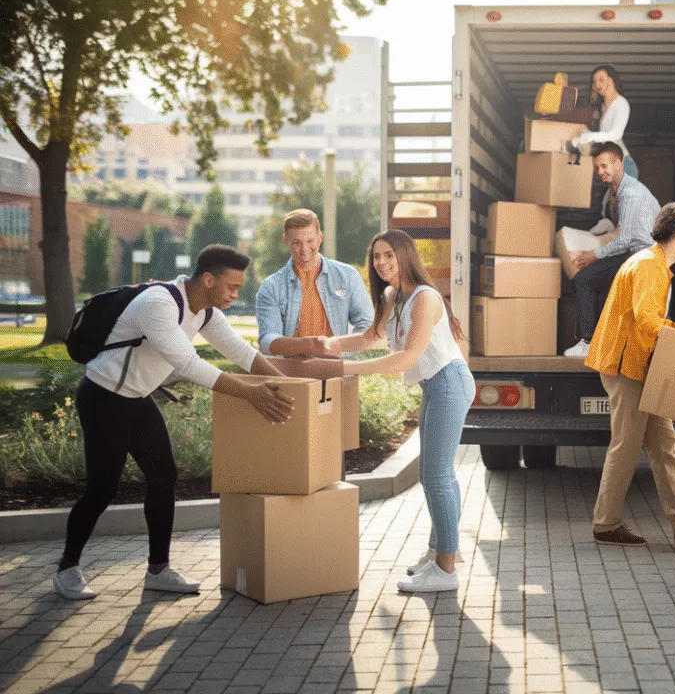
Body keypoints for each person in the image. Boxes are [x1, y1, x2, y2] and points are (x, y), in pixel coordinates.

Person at [53, 246, 297, 601]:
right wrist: (252, 394)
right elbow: (189, 364)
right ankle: (67, 569)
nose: (235, 294)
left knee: (164, 476)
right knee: (103, 487)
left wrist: (293, 390)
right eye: (232, 286)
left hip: (136, 398)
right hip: (103, 397)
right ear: (209, 279)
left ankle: (158, 570)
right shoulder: (160, 303)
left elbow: (242, 353)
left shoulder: (205, 311)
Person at [322, 230, 474, 594]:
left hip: (449, 384)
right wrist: (325, 346)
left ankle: (446, 570)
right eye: (376, 257)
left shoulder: (425, 298)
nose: (382, 263)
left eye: (389, 255)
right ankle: (440, 552)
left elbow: (405, 358)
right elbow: (371, 336)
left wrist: (342, 369)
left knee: (435, 477)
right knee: (436, 474)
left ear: (406, 256)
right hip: (437, 386)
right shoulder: (395, 295)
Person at [585, 202, 675, 549]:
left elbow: (645, 323)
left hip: (637, 366)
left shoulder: (653, 265)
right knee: (625, 446)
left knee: (664, 444)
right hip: (627, 368)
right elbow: (647, 321)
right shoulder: (650, 266)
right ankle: (606, 525)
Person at [563, 142, 660, 358]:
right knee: (593, 280)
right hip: (630, 253)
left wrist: (592, 255)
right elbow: (609, 223)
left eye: (605, 166)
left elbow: (624, 240)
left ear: (619, 163)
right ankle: (597, 340)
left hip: (642, 256)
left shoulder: (631, 194)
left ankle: (588, 341)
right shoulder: (611, 193)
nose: (601, 172)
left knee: (585, 279)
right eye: (597, 168)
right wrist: (585, 238)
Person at [256, 208, 373, 358]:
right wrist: (308, 345)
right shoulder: (271, 287)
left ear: (320, 237)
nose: (304, 250)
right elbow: (267, 340)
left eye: (310, 241)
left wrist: (343, 351)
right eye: (296, 243)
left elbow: (367, 324)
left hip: (335, 367)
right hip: (291, 370)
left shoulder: (348, 276)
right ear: (286, 240)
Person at [571, 64, 639, 179]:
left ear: (612, 80)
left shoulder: (621, 103)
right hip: (608, 165)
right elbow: (604, 136)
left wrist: (589, 137)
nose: (597, 85)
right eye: (595, 82)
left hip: (622, 165)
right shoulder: (603, 107)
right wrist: (585, 134)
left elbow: (615, 134)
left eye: (601, 80)